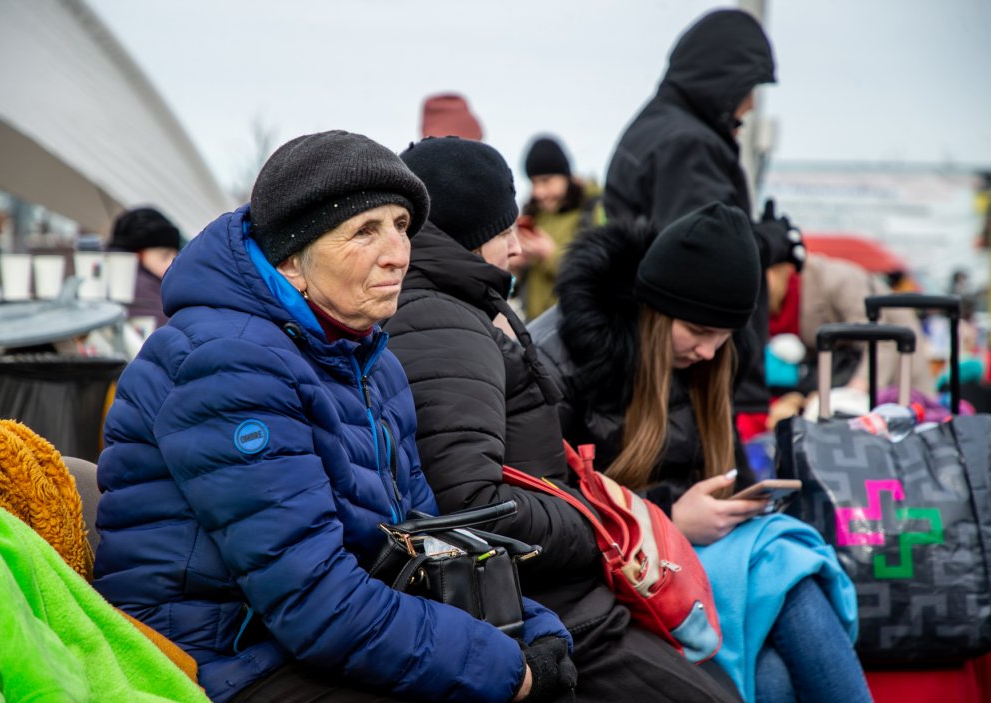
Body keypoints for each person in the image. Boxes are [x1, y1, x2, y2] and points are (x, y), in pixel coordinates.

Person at [92, 130, 577, 703]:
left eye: (401, 226)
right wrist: (505, 668)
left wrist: (535, 628)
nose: (398, 252)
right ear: (292, 261)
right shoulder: (229, 363)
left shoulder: (370, 361)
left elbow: (425, 545)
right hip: (215, 655)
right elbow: (312, 600)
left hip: (300, 634)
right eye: (364, 231)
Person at [384, 136, 743, 703]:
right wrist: (591, 522)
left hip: (564, 598)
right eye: (506, 232)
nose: (517, 249)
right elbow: (470, 503)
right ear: (472, 237)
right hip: (561, 610)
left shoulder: (452, 312)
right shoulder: (443, 323)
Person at [529, 202, 870, 703]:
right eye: (700, 332)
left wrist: (732, 503)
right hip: (608, 579)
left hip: (682, 561)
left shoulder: (705, 358)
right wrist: (668, 519)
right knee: (786, 571)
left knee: (777, 652)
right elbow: (548, 512)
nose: (710, 352)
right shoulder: (562, 357)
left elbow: (715, 465)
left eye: (725, 337)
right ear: (656, 309)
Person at [603, 8, 806, 439]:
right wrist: (777, 240)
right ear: (720, 82)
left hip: (667, 363)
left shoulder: (654, 128)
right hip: (695, 377)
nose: (749, 105)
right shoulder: (688, 144)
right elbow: (705, 256)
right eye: (746, 88)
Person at [765, 252, 935, 398]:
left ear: (778, 269)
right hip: (842, 374)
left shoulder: (836, 279)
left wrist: (859, 387)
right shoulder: (773, 302)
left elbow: (881, 339)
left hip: (896, 364)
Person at [514, 136, 605, 321]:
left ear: (566, 176)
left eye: (546, 181)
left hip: (577, 327)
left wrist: (550, 255)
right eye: (533, 183)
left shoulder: (595, 212)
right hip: (533, 327)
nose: (538, 192)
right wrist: (514, 265)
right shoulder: (534, 215)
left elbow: (600, 276)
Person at [107, 206, 182, 327]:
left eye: (176, 257)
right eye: (164, 256)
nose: (172, 264)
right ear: (137, 254)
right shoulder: (139, 285)